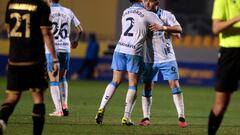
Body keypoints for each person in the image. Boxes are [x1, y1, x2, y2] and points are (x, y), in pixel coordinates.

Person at [95, 0, 163, 126]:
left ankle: (101, 107)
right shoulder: (148, 14)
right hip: (133, 51)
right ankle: (126, 117)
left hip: (119, 48)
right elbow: (161, 28)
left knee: (115, 81)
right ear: (141, 0)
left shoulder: (125, 11)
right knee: (133, 84)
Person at [0, 0, 59, 135]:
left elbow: (9, 31)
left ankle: (2, 120)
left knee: (12, 97)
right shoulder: (41, 6)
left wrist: (13, 53)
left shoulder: (11, 3)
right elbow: (46, 33)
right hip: (34, 58)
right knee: (38, 97)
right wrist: (55, 59)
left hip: (14, 58)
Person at [139, 0, 187, 128]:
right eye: (145, 1)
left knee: (174, 84)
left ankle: (181, 117)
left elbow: (179, 29)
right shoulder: (141, 15)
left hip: (167, 58)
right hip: (149, 59)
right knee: (147, 86)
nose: (147, 4)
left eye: (150, 1)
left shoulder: (166, 15)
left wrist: (165, 28)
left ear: (157, 3)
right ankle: (146, 117)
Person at [45, 0, 83, 117]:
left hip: (52, 48)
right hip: (65, 48)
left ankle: (58, 110)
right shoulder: (68, 11)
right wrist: (76, 40)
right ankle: (65, 104)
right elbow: (80, 29)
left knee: (53, 80)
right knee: (62, 77)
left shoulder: (47, 11)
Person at [208, 0, 240, 134]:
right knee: (221, 105)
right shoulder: (222, 0)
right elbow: (216, 28)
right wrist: (237, 18)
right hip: (230, 53)